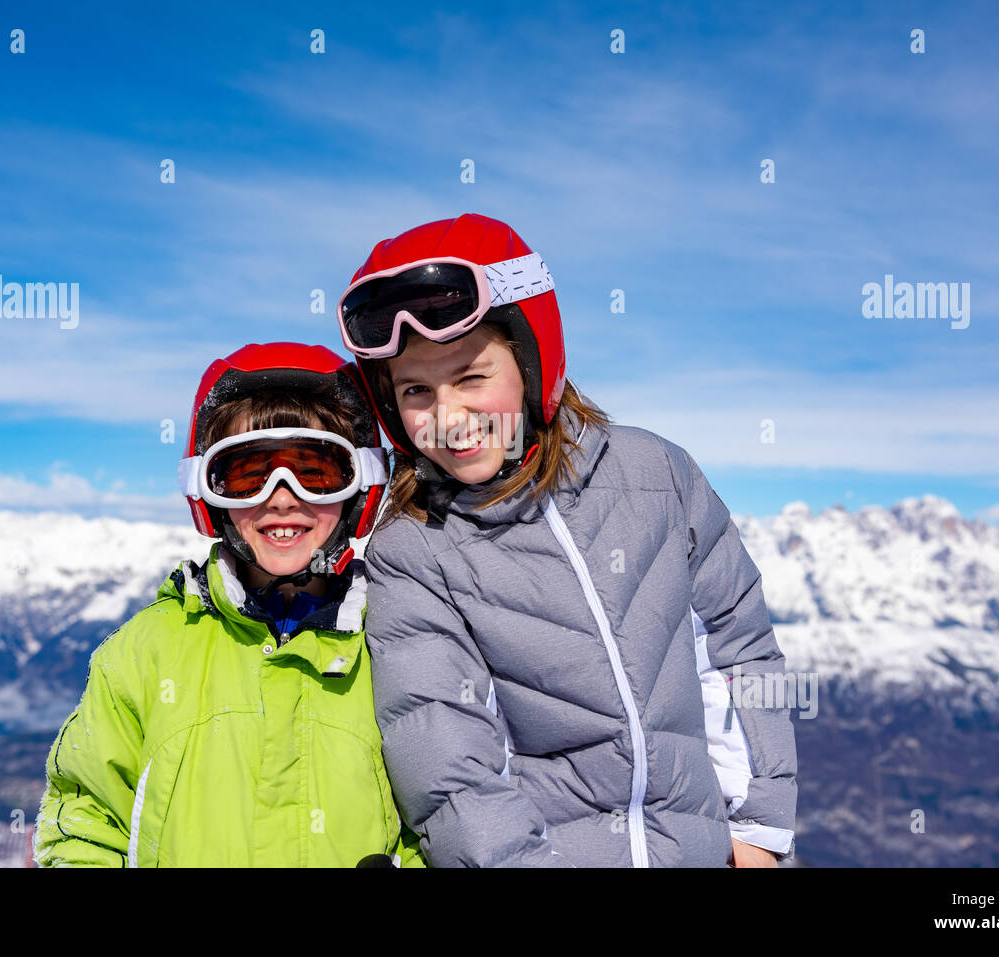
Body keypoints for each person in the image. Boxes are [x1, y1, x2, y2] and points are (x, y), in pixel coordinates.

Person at [335, 213, 797, 867]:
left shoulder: (655, 474)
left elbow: (735, 647)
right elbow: (452, 769)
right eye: (415, 390)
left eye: (471, 377)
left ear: (531, 357)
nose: (448, 416)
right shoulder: (414, 550)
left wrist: (758, 827)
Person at [34, 342, 424, 867]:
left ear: (360, 485)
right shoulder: (147, 653)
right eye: (248, 475)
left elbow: (441, 813)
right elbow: (83, 817)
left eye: (314, 471)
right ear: (209, 492)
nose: (281, 497)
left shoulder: (399, 646)